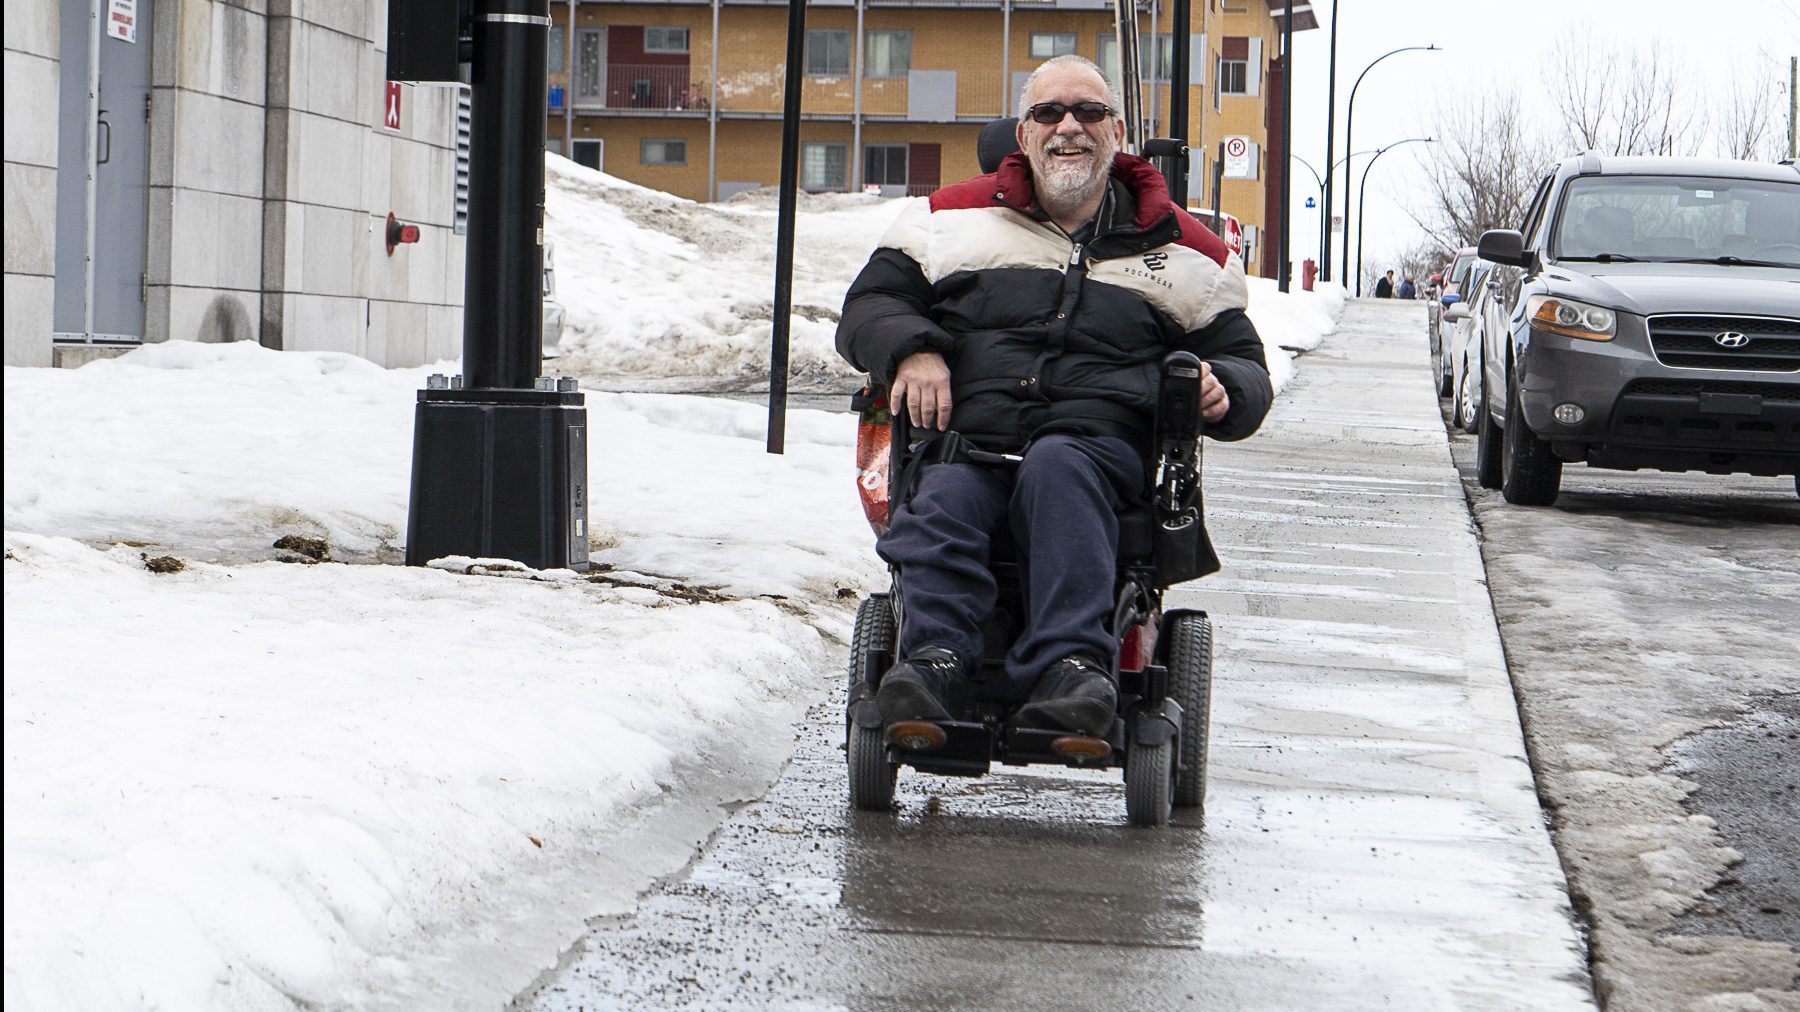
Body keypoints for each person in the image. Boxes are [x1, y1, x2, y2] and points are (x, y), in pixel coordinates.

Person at [835, 55, 1273, 741]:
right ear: (1024, 133)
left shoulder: (1190, 254)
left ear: (1117, 131)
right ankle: (935, 662)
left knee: (1059, 468)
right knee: (946, 496)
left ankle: (1073, 667)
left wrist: (1223, 388)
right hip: (970, 442)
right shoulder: (946, 221)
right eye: (1049, 113)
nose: (1069, 127)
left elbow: (1244, 364)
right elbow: (869, 304)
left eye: (1088, 113)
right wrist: (913, 348)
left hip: (1096, 452)